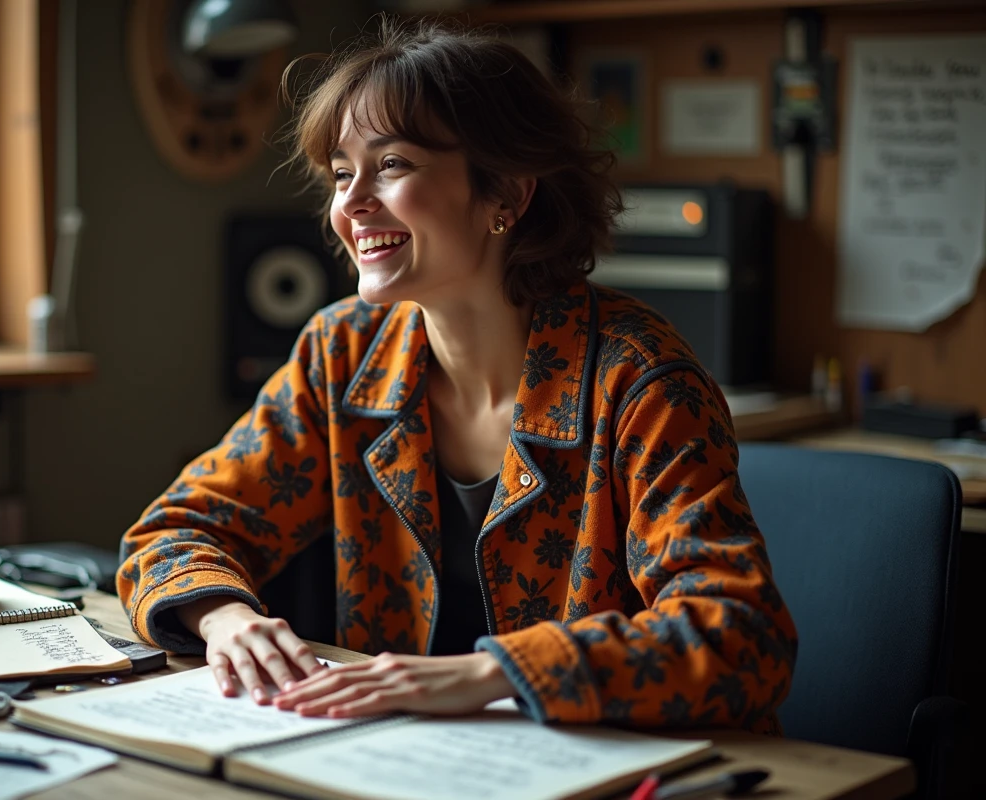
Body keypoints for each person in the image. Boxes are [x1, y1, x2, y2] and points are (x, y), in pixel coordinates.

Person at [117, 15, 797, 732]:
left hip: (611, 762)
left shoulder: (640, 382)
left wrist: (491, 674)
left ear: (507, 193)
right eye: (342, 174)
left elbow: (740, 637)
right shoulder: (342, 354)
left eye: (391, 165)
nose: (350, 204)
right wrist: (225, 618)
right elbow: (174, 529)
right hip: (398, 757)